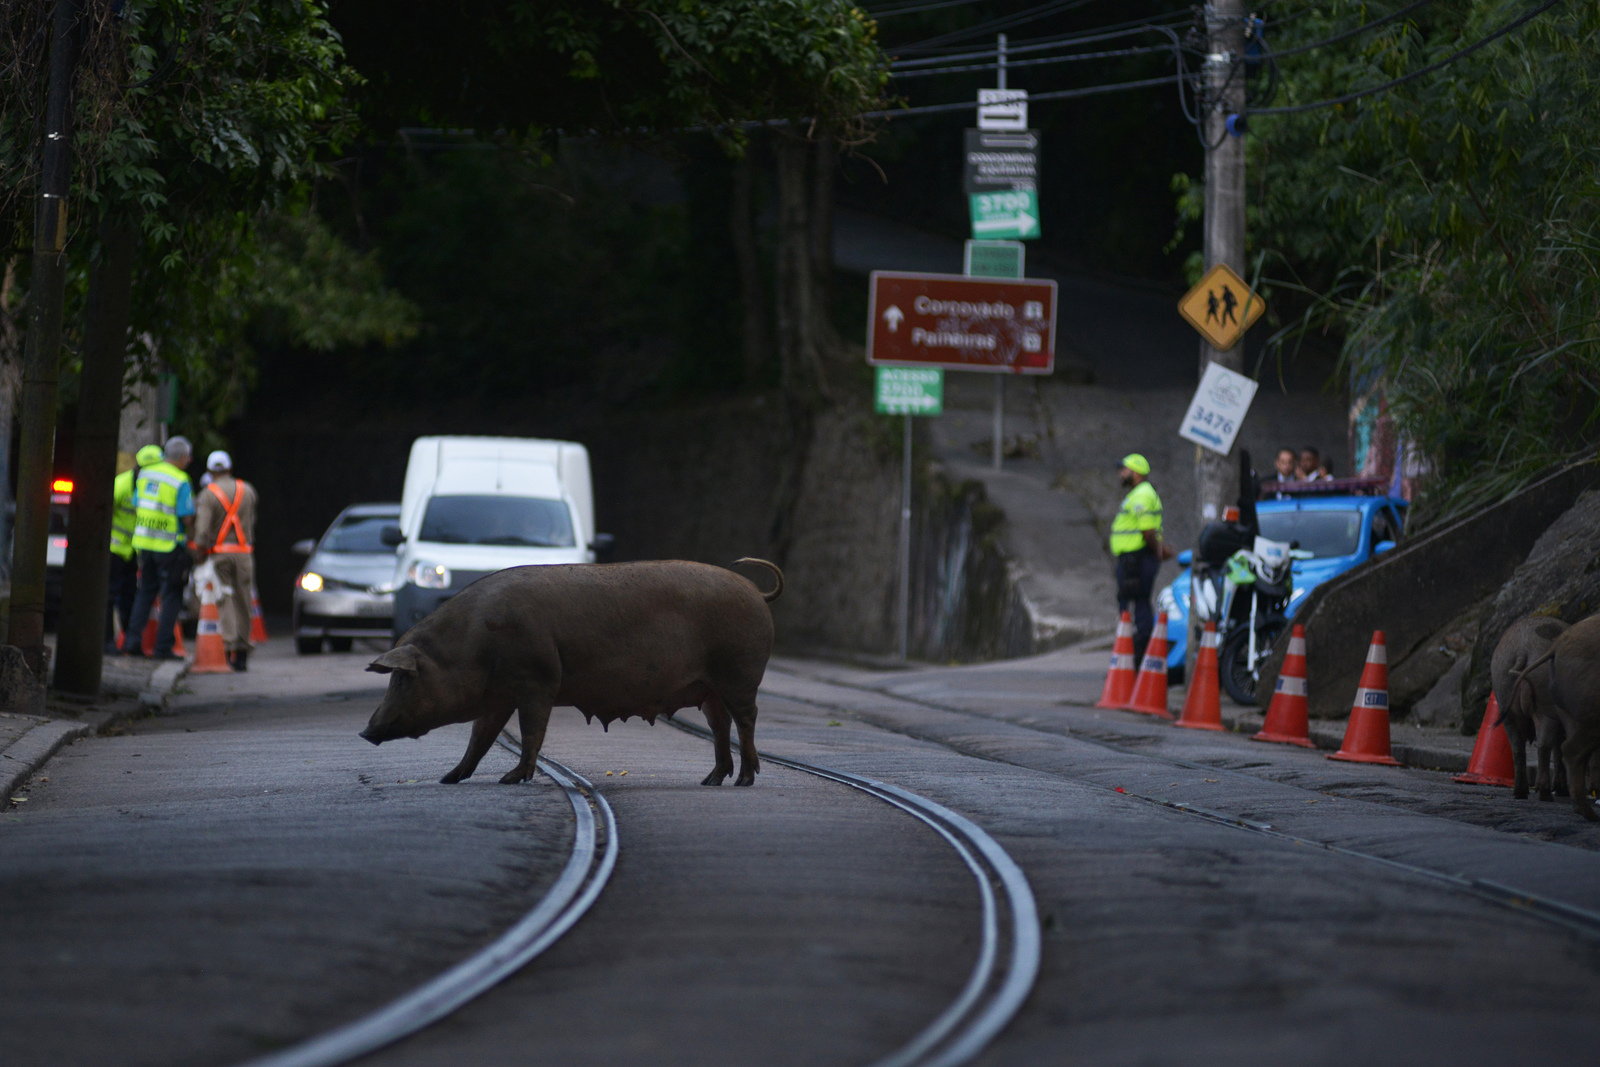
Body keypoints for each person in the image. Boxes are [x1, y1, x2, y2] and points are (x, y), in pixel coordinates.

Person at [124, 437, 196, 660]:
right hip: (169, 546)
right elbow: (186, 516)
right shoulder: (180, 479)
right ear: (184, 458)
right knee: (172, 596)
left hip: (144, 544)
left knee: (145, 592)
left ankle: (132, 642)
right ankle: (162, 648)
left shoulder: (146, 474)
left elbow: (137, 503)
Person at [192, 450, 258, 672]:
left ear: (211, 471)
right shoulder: (247, 490)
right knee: (244, 599)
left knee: (225, 597)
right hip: (244, 554)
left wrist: (200, 551)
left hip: (220, 555)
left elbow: (202, 532)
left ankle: (229, 646)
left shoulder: (208, 494)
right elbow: (252, 520)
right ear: (229, 468)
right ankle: (242, 651)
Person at [1110, 453, 1176, 663]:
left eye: (1125, 469)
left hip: (1136, 559)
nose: (1121, 474)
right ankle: (1134, 655)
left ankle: (1137, 657)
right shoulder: (1139, 493)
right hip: (1133, 558)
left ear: (1136, 472)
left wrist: (1157, 551)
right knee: (1133, 603)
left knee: (1136, 606)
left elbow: (1147, 531)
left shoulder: (1142, 495)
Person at [106, 444, 164, 652]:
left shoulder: (156, 487)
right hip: (115, 549)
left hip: (134, 550)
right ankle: (107, 643)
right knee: (110, 596)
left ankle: (130, 642)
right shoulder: (121, 485)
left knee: (129, 595)